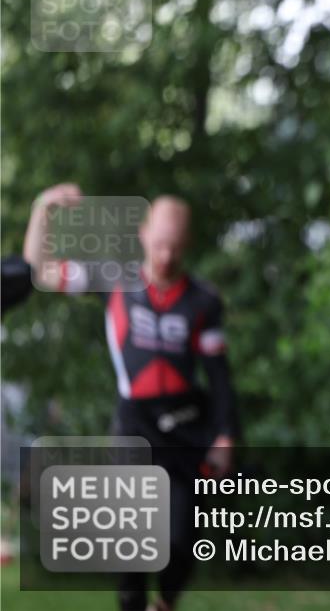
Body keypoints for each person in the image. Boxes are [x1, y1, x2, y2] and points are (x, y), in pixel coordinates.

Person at [24, 183, 239, 611]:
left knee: (181, 540)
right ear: (143, 234)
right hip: (133, 427)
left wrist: (226, 436)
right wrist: (42, 211)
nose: (166, 256)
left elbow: (220, 377)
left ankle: (166, 601)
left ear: (188, 245)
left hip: (185, 429)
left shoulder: (204, 301)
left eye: (176, 247)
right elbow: (41, 272)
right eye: (160, 244)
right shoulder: (113, 278)